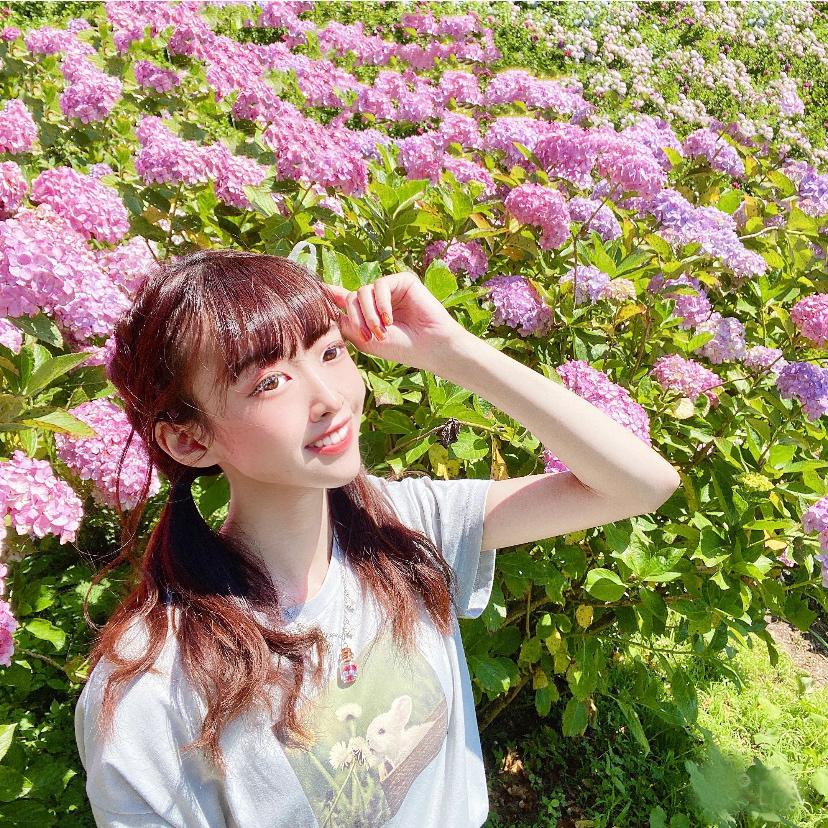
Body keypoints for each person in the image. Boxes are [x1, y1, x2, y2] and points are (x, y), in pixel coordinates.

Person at [75, 249, 680, 827]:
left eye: (330, 351)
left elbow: (641, 485)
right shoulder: (153, 690)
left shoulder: (403, 524)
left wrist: (455, 353)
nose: (329, 398)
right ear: (188, 440)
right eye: (269, 382)